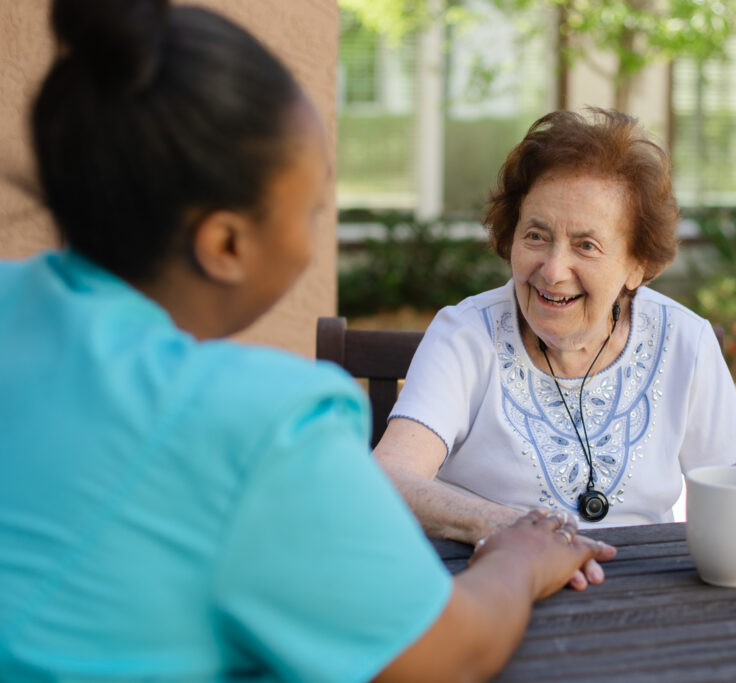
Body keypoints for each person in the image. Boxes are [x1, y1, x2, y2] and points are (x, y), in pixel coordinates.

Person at [0, 2, 615, 681]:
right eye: (315, 205)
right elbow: (450, 651)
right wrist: (520, 557)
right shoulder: (260, 428)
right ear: (228, 242)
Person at [375, 108, 736, 545]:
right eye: (535, 236)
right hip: (501, 588)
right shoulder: (465, 336)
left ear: (637, 265)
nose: (553, 271)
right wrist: (510, 530)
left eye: (586, 245)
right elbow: (389, 478)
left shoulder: (684, 341)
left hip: (645, 596)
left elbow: (734, 500)